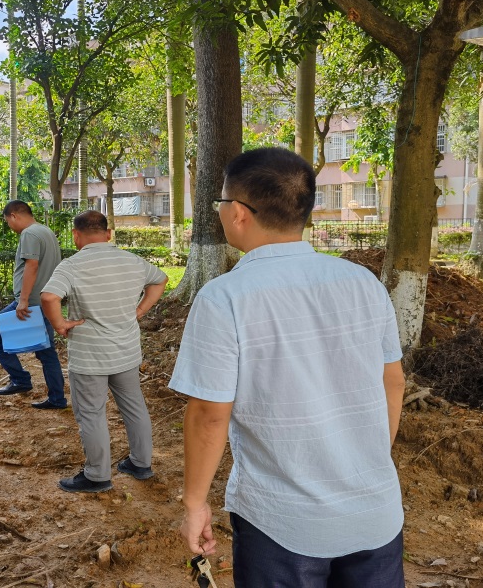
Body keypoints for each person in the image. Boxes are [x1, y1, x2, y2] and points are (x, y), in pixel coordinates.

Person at [170, 147, 406, 586]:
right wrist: (368, 461)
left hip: (281, 522)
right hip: (375, 511)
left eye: (221, 202)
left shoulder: (225, 297)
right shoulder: (364, 284)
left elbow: (209, 415)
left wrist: (195, 504)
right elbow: (393, 383)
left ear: (239, 212)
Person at [40, 210, 167, 493]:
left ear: (76, 235)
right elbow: (160, 279)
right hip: (126, 352)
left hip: (89, 357)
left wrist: (60, 324)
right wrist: (140, 310)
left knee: (91, 414)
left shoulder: (72, 265)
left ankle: (97, 476)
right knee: (134, 407)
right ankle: (141, 464)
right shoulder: (132, 260)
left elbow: (49, 296)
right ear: (108, 234)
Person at [0, 200, 67, 409]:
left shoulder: (29, 233)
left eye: (7, 221)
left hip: (31, 302)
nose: (9, 226)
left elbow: (32, 266)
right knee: (46, 352)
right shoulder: (46, 231)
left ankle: (21, 380)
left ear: (14, 216)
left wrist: (22, 300)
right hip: (45, 299)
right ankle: (56, 398)